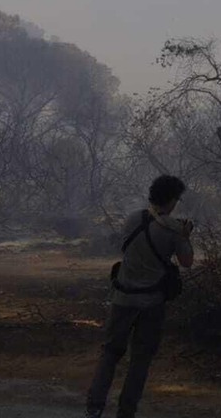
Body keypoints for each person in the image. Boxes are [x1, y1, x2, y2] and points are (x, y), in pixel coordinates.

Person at [86, 174, 194, 418]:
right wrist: (184, 236)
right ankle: (126, 412)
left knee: (110, 353)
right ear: (173, 200)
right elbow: (187, 262)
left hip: (122, 297)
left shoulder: (133, 218)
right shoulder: (174, 230)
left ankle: (94, 407)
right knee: (140, 359)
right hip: (152, 302)